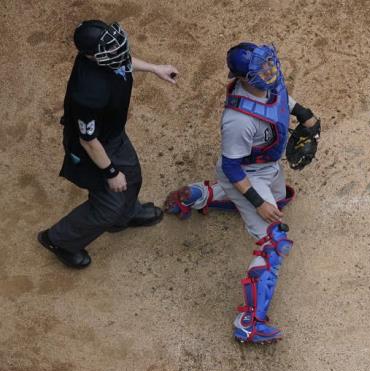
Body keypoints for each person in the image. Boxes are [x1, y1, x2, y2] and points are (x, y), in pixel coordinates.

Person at [164, 42, 320, 345]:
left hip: (267, 167)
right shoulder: (237, 120)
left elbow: (282, 100)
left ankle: (198, 196)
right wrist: (258, 202)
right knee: (272, 240)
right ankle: (249, 322)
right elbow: (232, 168)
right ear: (245, 77)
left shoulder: (267, 82)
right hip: (245, 175)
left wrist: (308, 118)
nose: (269, 70)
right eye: (261, 68)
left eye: (269, 63)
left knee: (282, 199)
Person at [38, 20, 178, 269]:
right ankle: (59, 239)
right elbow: (88, 140)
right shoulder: (88, 93)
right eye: (112, 49)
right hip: (93, 149)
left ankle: (125, 215)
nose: (120, 51)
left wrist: (154, 68)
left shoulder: (108, 57)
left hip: (113, 136)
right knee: (107, 205)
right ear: (92, 56)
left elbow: (124, 61)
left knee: (132, 176)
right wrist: (110, 172)